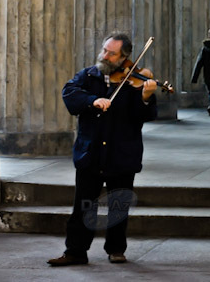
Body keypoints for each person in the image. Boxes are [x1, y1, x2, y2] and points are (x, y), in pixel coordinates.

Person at [48, 33, 158, 267]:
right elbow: (69, 93)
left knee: (119, 205)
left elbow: (144, 116)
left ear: (124, 57)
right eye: (104, 50)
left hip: (122, 153)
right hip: (91, 153)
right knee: (83, 205)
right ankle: (75, 251)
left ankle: (116, 249)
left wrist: (146, 97)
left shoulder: (133, 82)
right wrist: (92, 101)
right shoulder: (89, 75)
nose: (104, 55)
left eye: (111, 53)